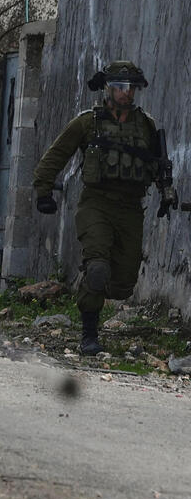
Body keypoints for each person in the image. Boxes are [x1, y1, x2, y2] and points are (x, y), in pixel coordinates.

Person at [32, 60, 172, 356]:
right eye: (122, 87)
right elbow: (56, 156)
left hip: (131, 208)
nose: (128, 94)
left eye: (132, 88)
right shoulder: (88, 122)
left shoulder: (146, 125)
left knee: (122, 285)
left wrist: (165, 193)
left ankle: (92, 290)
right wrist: (44, 191)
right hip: (97, 203)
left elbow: (159, 165)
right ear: (107, 88)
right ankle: (89, 335)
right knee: (97, 268)